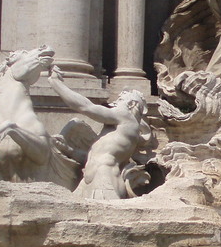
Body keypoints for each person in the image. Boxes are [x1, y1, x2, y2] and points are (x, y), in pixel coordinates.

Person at [48, 67, 152, 200]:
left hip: (104, 179)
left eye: (120, 100)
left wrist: (57, 84)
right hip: (89, 180)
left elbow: (86, 107)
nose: (114, 104)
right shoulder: (118, 130)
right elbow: (97, 155)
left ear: (131, 104)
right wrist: (68, 150)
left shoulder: (126, 117)